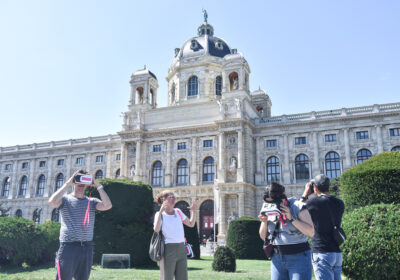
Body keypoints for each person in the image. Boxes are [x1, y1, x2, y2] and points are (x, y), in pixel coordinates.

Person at [48, 170, 112, 280]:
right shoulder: (65, 199)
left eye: (84, 182)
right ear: (74, 182)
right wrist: (68, 183)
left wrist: (98, 185)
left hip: (87, 247)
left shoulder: (92, 201)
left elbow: (108, 205)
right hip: (68, 246)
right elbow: (52, 201)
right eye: (79, 181)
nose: (81, 185)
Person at [259, 182, 314, 280]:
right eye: (268, 202)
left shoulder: (297, 206)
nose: (271, 205)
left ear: (282, 198)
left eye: (273, 202)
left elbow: (311, 232)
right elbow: (263, 237)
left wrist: (291, 218)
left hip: (298, 258)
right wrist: (264, 222)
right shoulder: (268, 209)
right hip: (277, 258)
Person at [301, 174, 345, 280]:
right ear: (328, 187)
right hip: (336, 252)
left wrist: (305, 194)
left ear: (315, 188)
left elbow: (297, 210)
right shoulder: (340, 203)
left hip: (321, 251)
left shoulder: (312, 203)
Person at [153, 190, 197, 280]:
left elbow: (191, 224)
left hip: (181, 248)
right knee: (167, 277)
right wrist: (161, 211)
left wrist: (194, 212)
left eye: (174, 197)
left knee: (182, 277)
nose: (173, 199)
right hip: (168, 249)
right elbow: (156, 229)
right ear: (163, 199)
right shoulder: (159, 214)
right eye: (171, 197)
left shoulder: (178, 211)